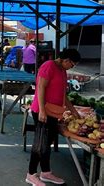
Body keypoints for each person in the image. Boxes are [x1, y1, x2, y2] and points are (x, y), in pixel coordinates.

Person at [26, 49, 81, 186]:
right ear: (66, 60)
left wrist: (73, 110)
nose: (72, 67)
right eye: (72, 64)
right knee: (40, 144)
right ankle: (31, 174)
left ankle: (46, 172)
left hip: (53, 113)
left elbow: (62, 94)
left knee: (46, 144)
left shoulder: (62, 70)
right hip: (42, 111)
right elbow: (41, 88)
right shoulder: (48, 66)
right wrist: (42, 111)